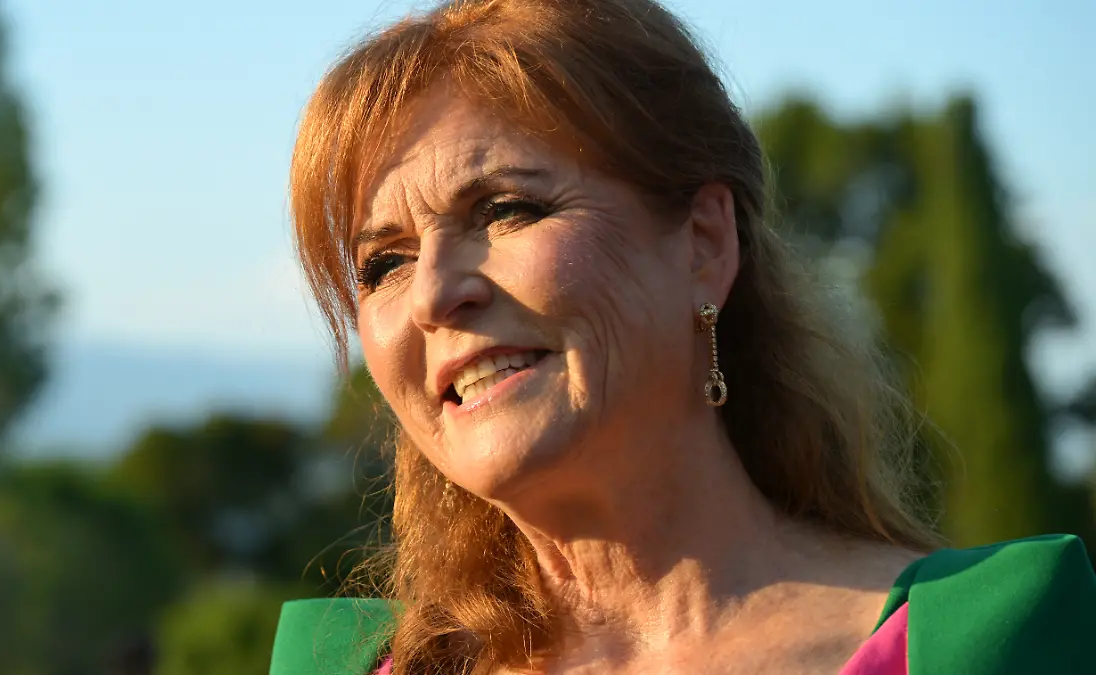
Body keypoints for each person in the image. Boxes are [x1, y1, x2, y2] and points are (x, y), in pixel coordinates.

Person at [271, 0, 1096, 673]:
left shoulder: (974, 646)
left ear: (705, 244)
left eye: (505, 209)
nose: (434, 295)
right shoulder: (351, 665)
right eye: (384, 262)